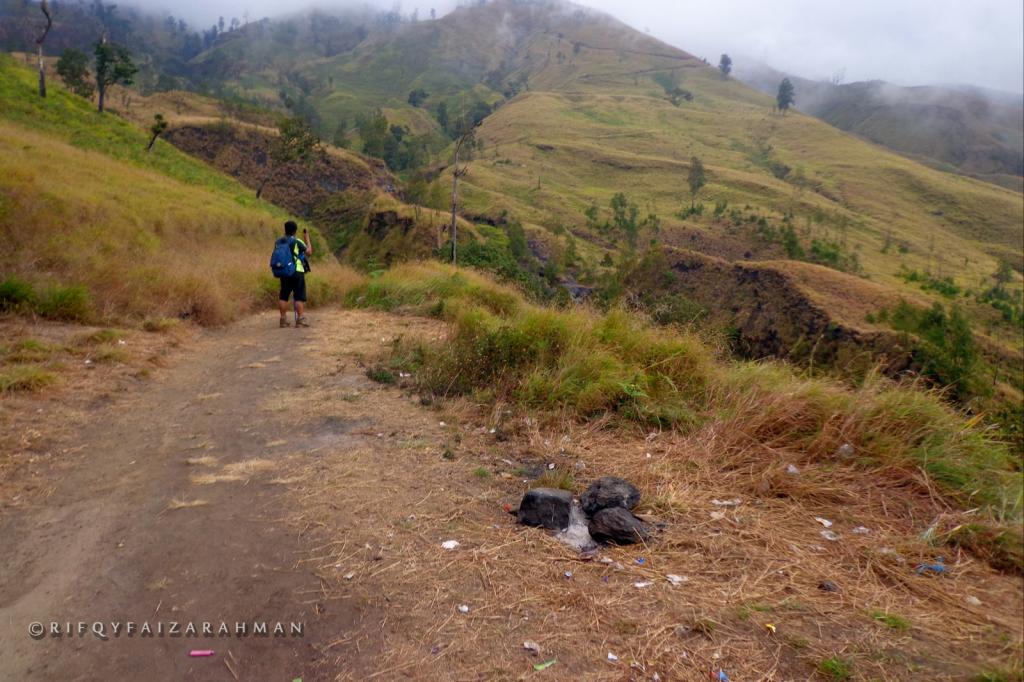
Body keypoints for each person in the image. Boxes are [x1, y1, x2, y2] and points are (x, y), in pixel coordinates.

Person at [277, 220, 313, 328]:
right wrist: (307, 238)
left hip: (284, 271)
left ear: (285, 229)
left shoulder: (279, 242)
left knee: (283, 295)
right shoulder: (297, 241)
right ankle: (300, 320)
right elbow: (309, 252)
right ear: (295, 231)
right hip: (297, 271)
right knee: (298, 296)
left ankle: (283, 320)